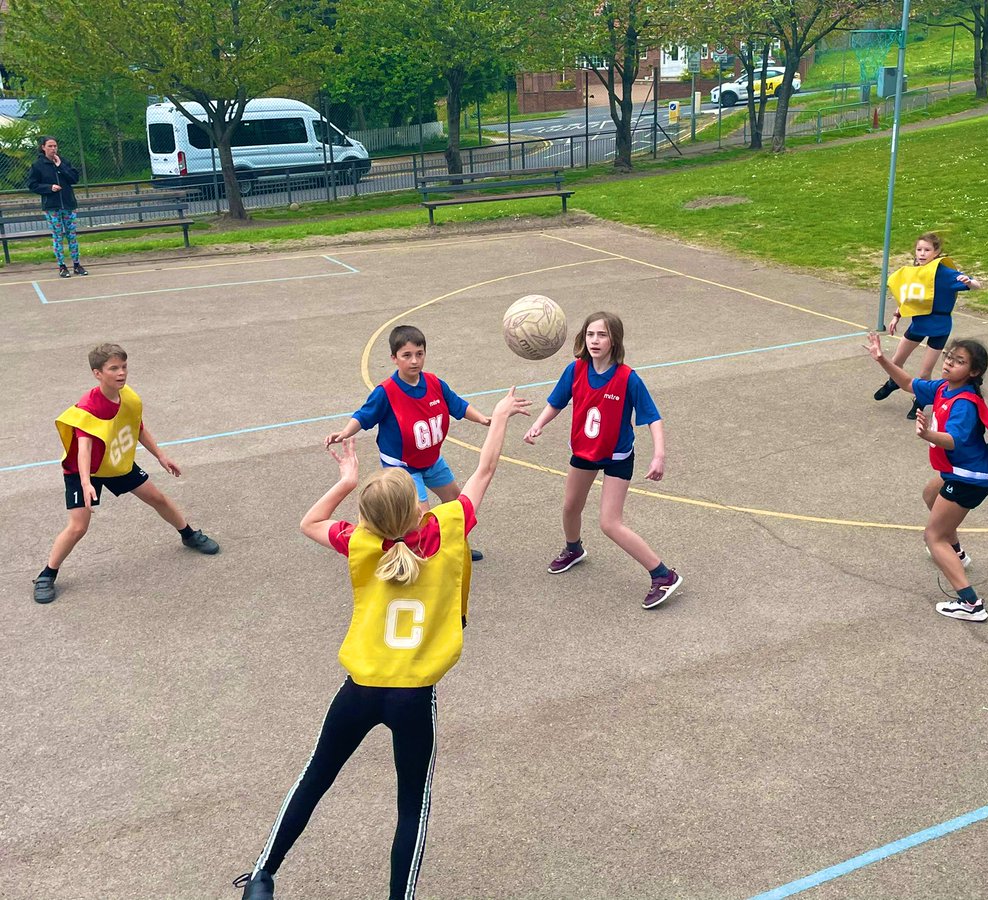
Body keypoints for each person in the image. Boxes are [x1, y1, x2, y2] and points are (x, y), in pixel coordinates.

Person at [235, 387, 530, 900]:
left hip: (360, 688)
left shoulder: (362, 542)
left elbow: (309, 522)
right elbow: (484, 470)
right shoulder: (448, 526)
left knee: (315, 777)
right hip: (412, 696)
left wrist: (346, 479)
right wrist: (500, 416)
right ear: (417, 508)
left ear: (369, 518)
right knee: (411, 806)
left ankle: (262, 875)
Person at [32, 343, 219, 604]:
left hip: (114, 462)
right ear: (97, 373)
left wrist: (160, 456)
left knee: (157, 498)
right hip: (84, 471)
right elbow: (84, 450)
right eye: (113, 368)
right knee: (78, 527)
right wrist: (86, 483)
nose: (121, 373)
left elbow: (137, 428)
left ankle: (189, 535)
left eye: (123, 366)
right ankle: (47, 575)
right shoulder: (89, 407)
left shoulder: (127, 396)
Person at [523, 311, 682, 610]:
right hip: (584, 452)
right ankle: (574, 549)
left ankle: (663, 575)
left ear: (614, 340)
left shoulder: (627, 378)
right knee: (570, 507)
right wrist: (538, 424)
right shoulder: (575, 370)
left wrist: (659, 455)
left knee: (610, 523)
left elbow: (653, 417)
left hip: (617, 457)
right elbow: (556, 402)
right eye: (590, 334)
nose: (595, 341)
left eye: (602, 335)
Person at [865, 333, 988, 622]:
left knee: (933, 536)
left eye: (959, 361)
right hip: (959, 470)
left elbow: (954, 440)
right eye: (949, 357)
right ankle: (957, 553)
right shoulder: (945, 388)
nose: (949, 364)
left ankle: (971, 604)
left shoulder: (964, 403)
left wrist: (928, 434)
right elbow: (909, 383)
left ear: (974, 372)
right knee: (931, 494)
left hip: (970, 477)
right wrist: (882, 359)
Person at [326, 325, 492, 562]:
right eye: (407, 355)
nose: (414, 361)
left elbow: (458, 405)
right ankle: (419, 561)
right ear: (394, 358)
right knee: (419, 520)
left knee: (455, 503)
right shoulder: (386, 392)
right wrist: (345, 431)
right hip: (403, 467)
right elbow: (364, 416)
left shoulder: (434, 383)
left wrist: (482, 418)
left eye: (419, 354)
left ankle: (456, 545)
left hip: (432, 461)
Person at [873, 232, 981, 420]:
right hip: (919, 323)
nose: (922, 253)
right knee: (895, 362)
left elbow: (977, 285)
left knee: (925, 373)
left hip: (939, 327)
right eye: (919, 249)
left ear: (936, 252)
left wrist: (969, 282)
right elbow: (910, 298)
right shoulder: (916, 272)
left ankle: (920, 401)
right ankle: (894, 382)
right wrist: (897, 316)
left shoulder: (944, 273)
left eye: (927, 250)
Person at [27, 135, 88, 278]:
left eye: (55, 146)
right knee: (58, 236)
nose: (53, 149)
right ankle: (62, 266)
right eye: (50, 146)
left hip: (68, 205)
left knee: (72, 235)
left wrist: (61, 166)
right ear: (43, 147)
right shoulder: (38, 165)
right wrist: (49, 188)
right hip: (52, 207)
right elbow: (32, 184)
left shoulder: (64, 162)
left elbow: (74, 179)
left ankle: (77, 264)